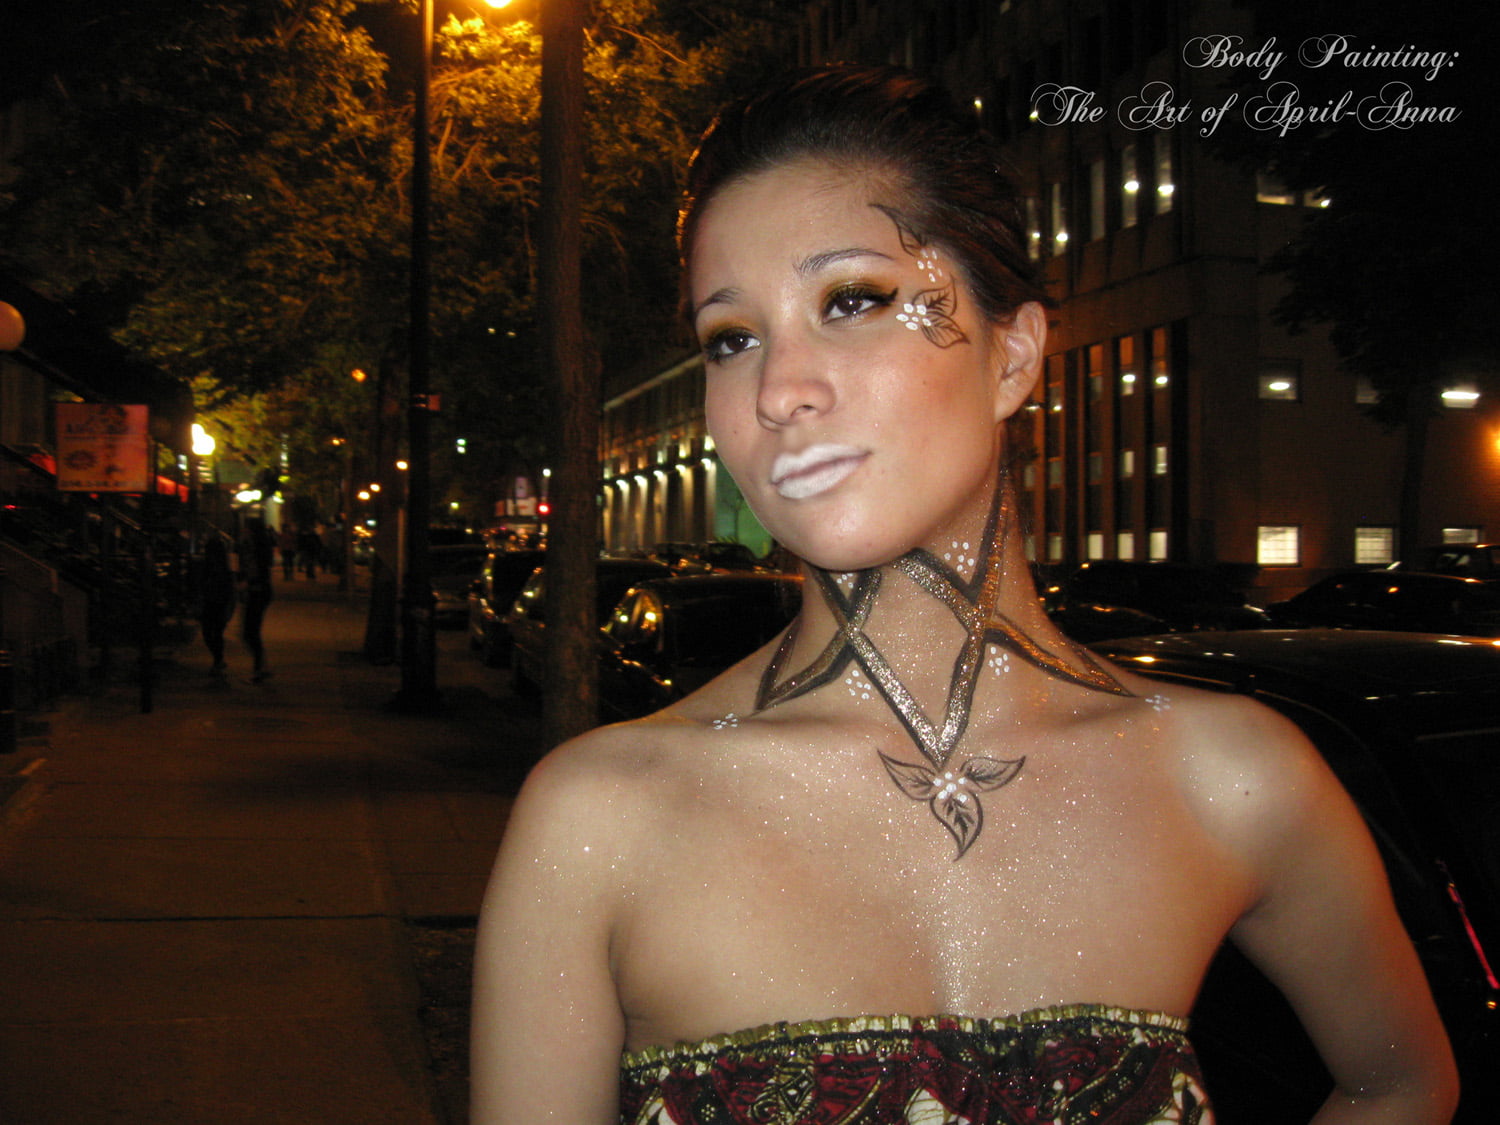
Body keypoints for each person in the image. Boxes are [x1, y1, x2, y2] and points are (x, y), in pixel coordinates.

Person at [470, 66, 1458, 1124]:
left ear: (1014, 356)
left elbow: (1403, 1081)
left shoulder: (1231, 778)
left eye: (853, 300)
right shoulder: (603, 819)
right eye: (732, 338)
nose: (778, 389)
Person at [237, 517, 275, 683]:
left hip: (258, 592)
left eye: (246, 528)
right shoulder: (253, 546)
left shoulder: (256, 548)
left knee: (250, 632)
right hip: (258, 592)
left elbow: (258, 571)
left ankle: (260, 668)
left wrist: (248, 583)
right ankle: (261, 667)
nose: (243, 531)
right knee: (251, 632)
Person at [197, 534, 236, 676]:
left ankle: (218, 660)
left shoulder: (217, 568)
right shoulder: (219, 567)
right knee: (213, 633)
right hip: (215, 603)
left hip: (215, 602)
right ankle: (218, 659)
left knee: (212, 633)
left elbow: (228, 588)